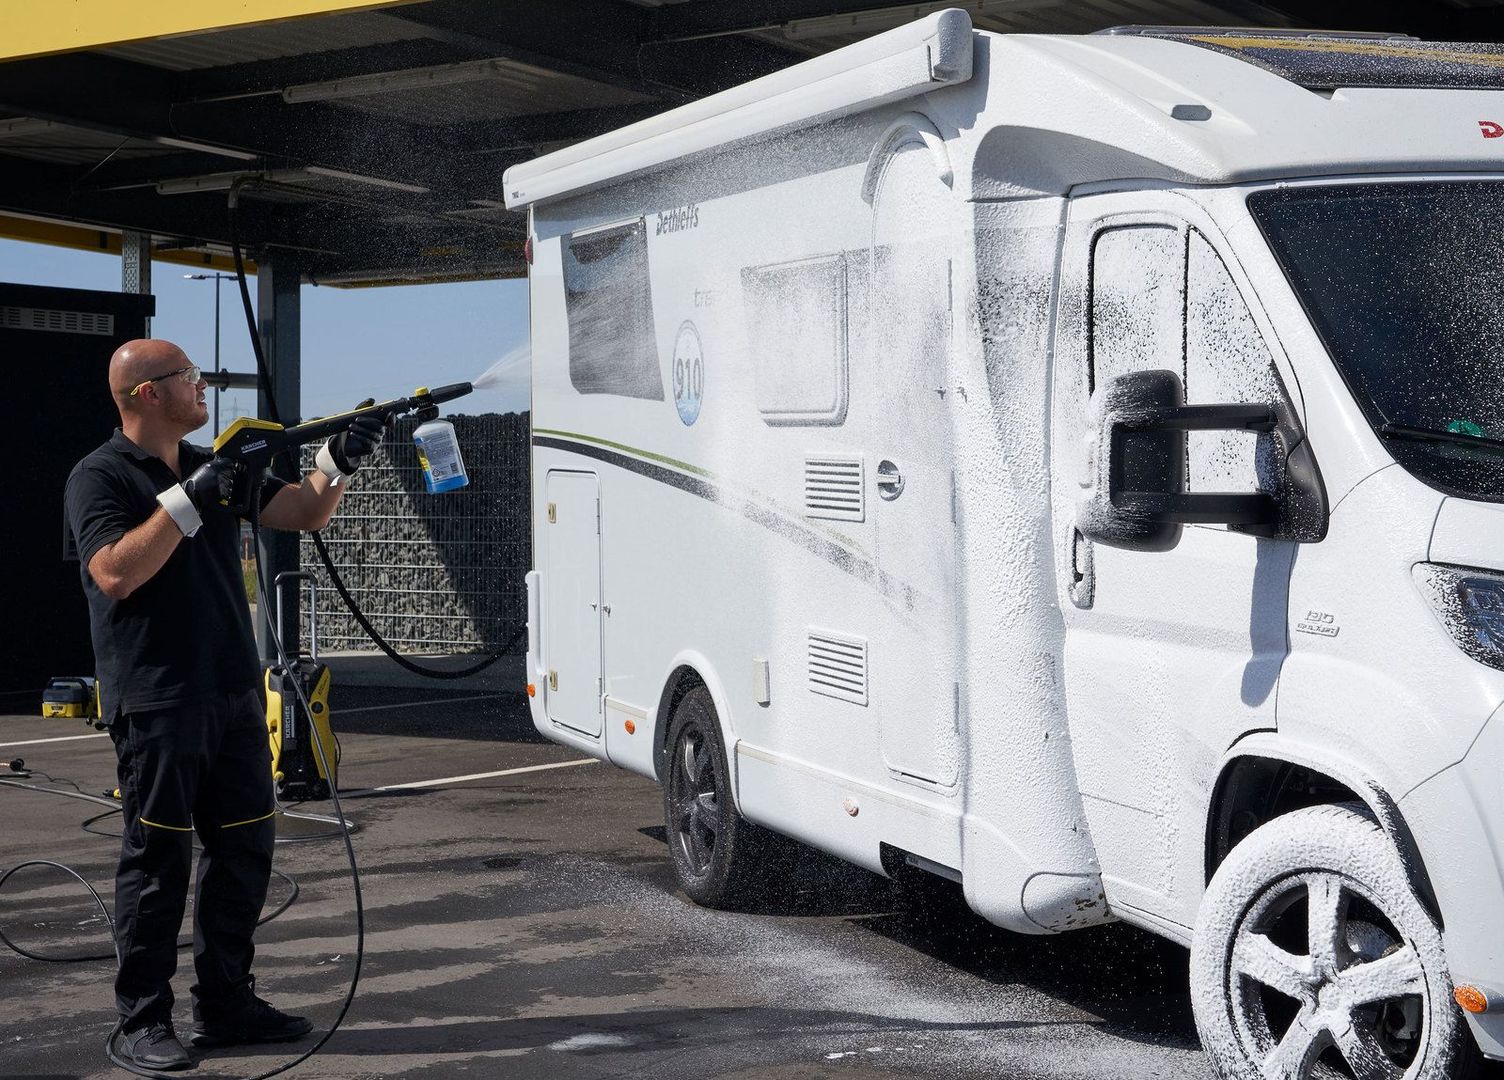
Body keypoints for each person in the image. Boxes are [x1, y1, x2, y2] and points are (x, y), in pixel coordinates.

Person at [63, 339, 385, 1071]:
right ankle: (142, 1021)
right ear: (147, 393)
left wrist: (338, 461)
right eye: (189, 377)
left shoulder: (215, 464)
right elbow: (114, 573)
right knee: (158, 862)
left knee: (243, 850)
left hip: (233, 690)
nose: (202, 386)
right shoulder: (101, 475)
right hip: (158, 698)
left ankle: (227, 1005)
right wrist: (188, 498)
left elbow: (304, 514)